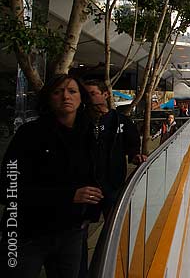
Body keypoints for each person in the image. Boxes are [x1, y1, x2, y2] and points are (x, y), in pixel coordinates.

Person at [0, 74, 101, 278]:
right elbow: (7, 188)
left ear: (81, 98)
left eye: (72, 91)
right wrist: (68, 196)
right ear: (48, 98)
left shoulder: (88, 133)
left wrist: (90, 214)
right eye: (58, 92)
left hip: (71, 233)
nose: (66, 96)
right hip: (26, 234)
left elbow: (93, 177)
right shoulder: (29, 134)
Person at [82, 80, 146, 276]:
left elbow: (132, 145)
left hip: (112, 186)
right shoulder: (79, 122)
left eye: (93, 93)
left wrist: (136, 156)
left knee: (114, 230)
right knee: (79, 234)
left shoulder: (121, 122)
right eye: (86, 94)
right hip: (86, 188)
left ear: (105, 95)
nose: (89, 98)